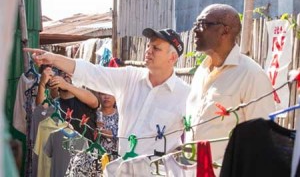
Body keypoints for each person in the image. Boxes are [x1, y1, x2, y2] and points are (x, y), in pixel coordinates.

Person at [24, 28, 190, 156]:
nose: (148, 50)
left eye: (156, 48)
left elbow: (195, 144)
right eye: (148, 46)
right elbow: (91, 72)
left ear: (172, 58)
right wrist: (53, 59)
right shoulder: (130, 78)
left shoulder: (186, 95)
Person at [186, 4, 276, 168]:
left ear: (225, 30)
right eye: (195, 25)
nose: (195, 30)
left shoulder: (251, 75)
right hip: (191, 170)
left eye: (203, 24)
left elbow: (262, 140)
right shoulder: (201, 71)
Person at [36, 64, 99, 141]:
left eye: (69, 72)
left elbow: (94, 101)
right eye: (62, 73)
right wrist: (42, 84)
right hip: (62, 151)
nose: (66, 75)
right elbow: (40, 111)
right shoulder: (55, 104)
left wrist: (66, 85)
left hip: (87, 151)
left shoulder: (84, 97)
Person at [96, 92, 118, 158]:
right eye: (103, 94)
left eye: (110, 93)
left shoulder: (122, 116)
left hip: (116, 157)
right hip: (97, 157)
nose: (106, 97)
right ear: (98, 95)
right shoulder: (93, 114)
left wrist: (112, 134)